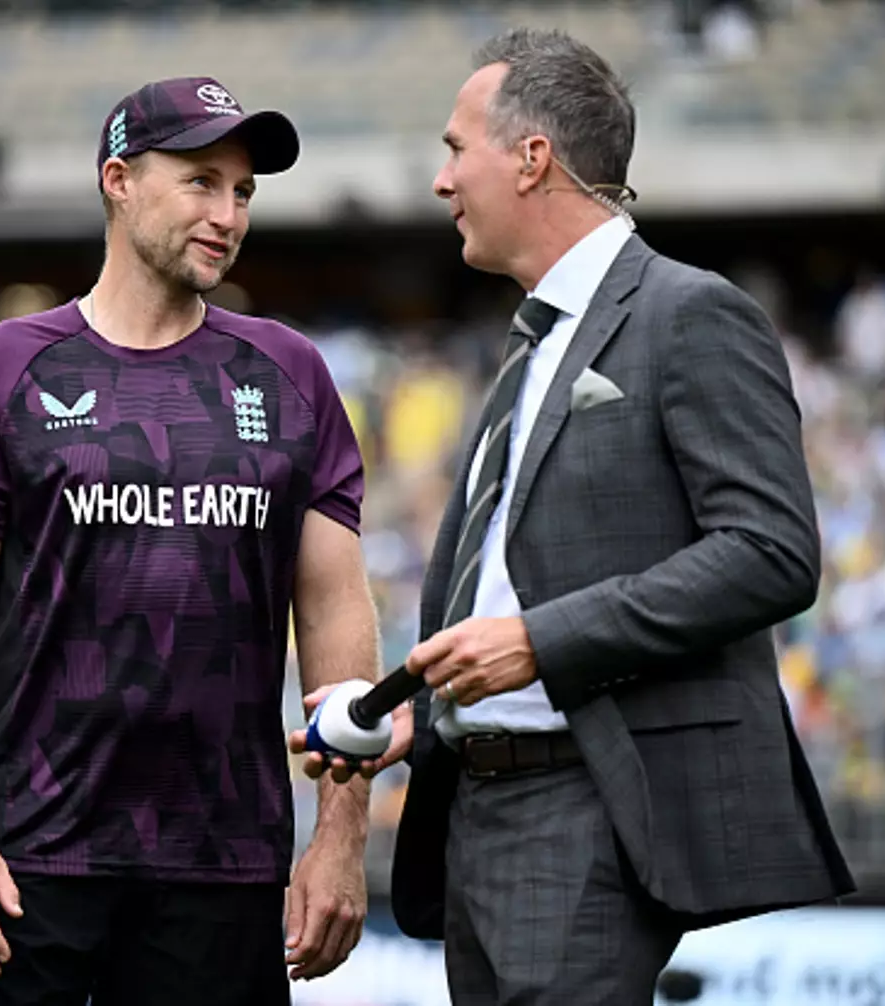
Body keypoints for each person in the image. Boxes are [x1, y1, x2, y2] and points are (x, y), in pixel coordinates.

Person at [293, 27, 854, 1005]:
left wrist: (542, 644)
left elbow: (772, 551)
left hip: (584, 801)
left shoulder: (688, 313)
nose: (441, 179)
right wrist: (415, 720)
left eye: (456, 148)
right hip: (479, 804)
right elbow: (513, 585)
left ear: (533, 156)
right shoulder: (531, 342)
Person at [0, 76, 379, 1006]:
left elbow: (333, 608)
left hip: (223, 868)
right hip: (20, 863)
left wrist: (341, 837)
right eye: (201, 181)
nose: (228, 214)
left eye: (243, 191)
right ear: (118, 180)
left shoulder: (291, 375)